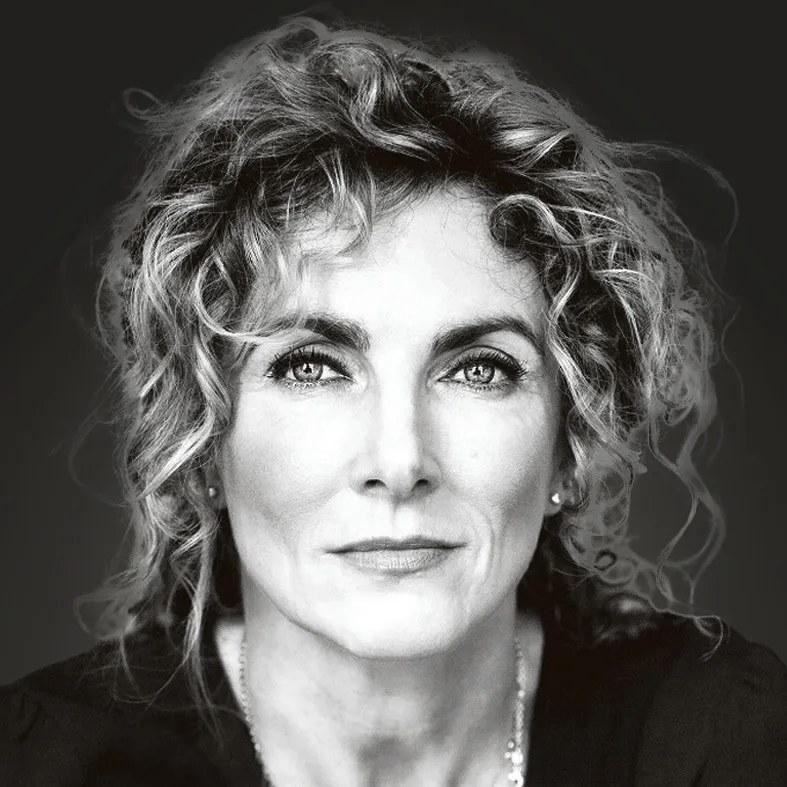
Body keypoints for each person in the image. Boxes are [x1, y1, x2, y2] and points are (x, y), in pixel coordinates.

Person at [2, 14, 785, 787]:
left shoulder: (722, 739)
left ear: (568, 445)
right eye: (311, 366)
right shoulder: (39, 762)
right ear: (202, 442)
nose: (400, 460)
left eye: (479, 369)